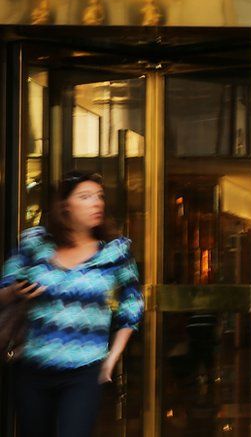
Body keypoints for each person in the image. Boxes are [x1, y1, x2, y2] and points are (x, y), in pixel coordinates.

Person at [0, 170, 144, 437]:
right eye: (86, 197)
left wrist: (112, 358)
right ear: (65, 205)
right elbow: (4, 290)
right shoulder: (34, 243)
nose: (96, 203)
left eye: (99, 197)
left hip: (84, 370)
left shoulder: (115, 252)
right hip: (32, 367)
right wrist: (16, 292)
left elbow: (132, 305)